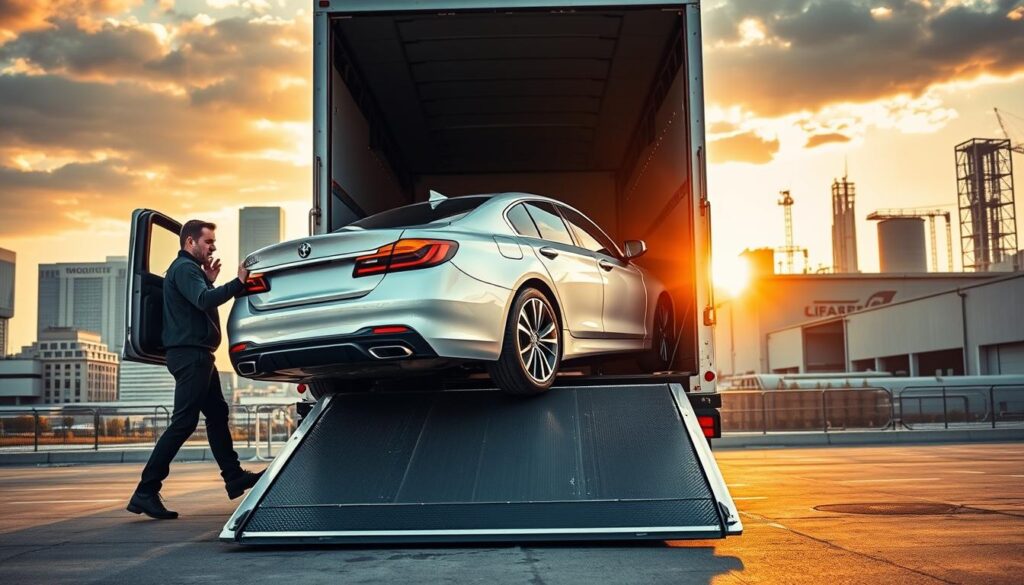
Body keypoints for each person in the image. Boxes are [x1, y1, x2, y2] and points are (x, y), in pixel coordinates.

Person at [128, 220, 263, 520]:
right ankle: (146, 491)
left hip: (197, 355)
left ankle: (233, 476)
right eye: (208, 242)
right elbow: (203, 300)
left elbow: (199, 299)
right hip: (191, 356)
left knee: (217, 414)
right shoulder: (185, 268)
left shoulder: (189, 271)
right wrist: (237, 283)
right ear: (190, 242)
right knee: (184, 422)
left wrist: (211, 281)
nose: (213, 247)